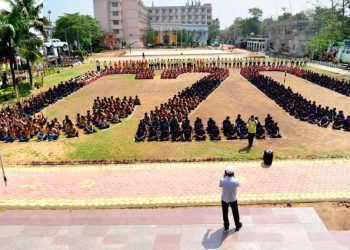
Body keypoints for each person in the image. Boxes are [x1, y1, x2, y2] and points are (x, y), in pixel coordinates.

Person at [219, 166, 242, 232]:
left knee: (225, 213)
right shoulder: (236, 180)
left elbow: (220, 185)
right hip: (233, 199)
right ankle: (237, 225)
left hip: (224, 199)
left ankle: (226, 227)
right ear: (233, 173)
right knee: (235, 212)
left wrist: (224, 177)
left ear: (225, 173)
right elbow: (238, 185)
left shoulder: (222, 180)